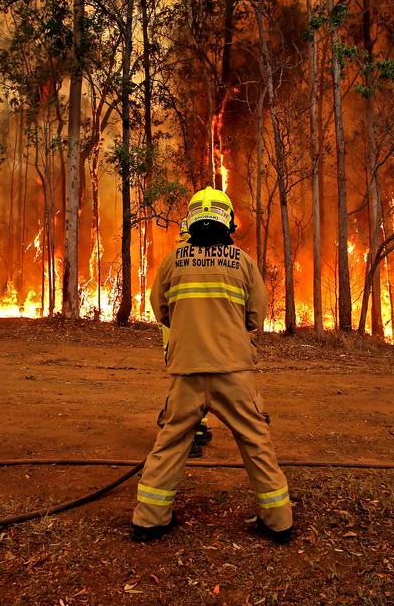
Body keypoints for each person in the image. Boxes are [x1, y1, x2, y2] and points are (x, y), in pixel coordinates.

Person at [132, 186, 293, 543]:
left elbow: (161, 311)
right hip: (234, 373)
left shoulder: (174, 261)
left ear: (191, 220)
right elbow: (255, 317)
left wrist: (190, 328)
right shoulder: (243, 262)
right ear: (228, 221)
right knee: (256, 442)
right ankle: (279, 521)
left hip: (187, 374)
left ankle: (149, 519)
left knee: (171, 442)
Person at [159, 218, 213, 457]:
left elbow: (159, 303)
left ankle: (197, 428)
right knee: (189, 388)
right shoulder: (200, 261)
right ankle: (183, 434)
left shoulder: (174, 260)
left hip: (175, 337)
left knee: (188, 385)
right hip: (193, 338)